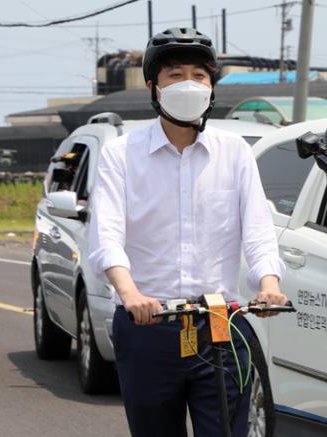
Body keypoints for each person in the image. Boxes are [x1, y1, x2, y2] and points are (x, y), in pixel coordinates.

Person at [88, 28, 289, 437]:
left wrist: (269, 283)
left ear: (212, 86)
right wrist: (130, 295)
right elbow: (106, 235)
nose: (188, 84)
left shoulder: (234, 153)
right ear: (153, 87)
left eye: (199, 75)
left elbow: (257, 230)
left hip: (220, 323)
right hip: (147, 325)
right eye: (175, 75)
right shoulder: (120, 155)